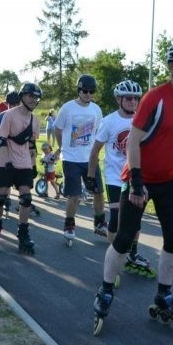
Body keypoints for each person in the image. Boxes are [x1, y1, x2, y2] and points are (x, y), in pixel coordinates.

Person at [92, 41, 173, 336]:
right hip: (139, 178)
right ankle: (104, 290)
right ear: (172, 67)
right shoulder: (155, 98)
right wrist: (137, 181)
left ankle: (163, 294)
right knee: (125, 236)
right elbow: (134, 141)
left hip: (167, 180)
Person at [88, 80, 154, 278]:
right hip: (115, 177)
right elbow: (95, 151)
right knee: (117, 219)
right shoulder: (109, 121)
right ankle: (115, 257)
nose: (133, 102)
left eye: (136, 98)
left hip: (136, 177)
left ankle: (132, 254)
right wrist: (91, 176)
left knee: (135, 221)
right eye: (128, 98)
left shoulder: (145, 119)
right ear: (119, 99)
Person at [0, 83, 42, 254]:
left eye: (36, 97)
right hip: (6, 162)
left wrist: (34, 166)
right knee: (0, 197)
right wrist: (7, 161)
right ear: (22, 96)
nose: (33, 100)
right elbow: (1, 140)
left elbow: (32, 145)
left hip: (24, 162)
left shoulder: (35, 120)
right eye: (30, 96)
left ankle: (23, 233)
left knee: (26, 198)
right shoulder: (9, 115)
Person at [53, 74, 106, 244]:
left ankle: (99, 223)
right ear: (79, 90)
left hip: (90, 158)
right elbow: (58, 129)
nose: (88, 94)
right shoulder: (67, 108)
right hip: (71, 159)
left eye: (92, 91)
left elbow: (99, 132)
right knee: (74, 195)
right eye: (85, 91)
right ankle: (69, 225)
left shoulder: (96, 110)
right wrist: (63, 148)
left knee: (98, 192)